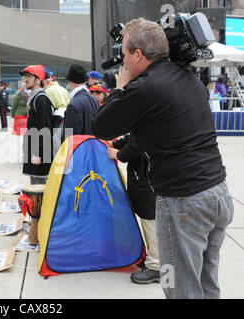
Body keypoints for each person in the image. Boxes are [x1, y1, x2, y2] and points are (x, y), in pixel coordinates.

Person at [91, 18, 233, 299]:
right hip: (217, 195)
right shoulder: (186, 77)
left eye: (125, 54)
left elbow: (101, 127)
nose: (123, 61)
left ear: (138, 55)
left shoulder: (144, 88)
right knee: (206, 285)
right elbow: (150, 134)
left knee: (180, 289)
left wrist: (120, 87)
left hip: (184, 202)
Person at [108, 135, 160, 284]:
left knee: (151, 223)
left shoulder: (149, 121)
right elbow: (133, 138)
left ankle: (157, 266)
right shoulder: (141, 122)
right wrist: (114, 143)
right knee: (147, 222)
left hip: (150, 186)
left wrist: (118, 154)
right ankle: (152, 259)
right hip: (143, 184)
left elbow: (138, 142)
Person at [19, 65, 54, 185]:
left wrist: (39, 153)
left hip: (39, 154)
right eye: (25, 76)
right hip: (34, 150)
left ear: (38, 79)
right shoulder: (34, 98)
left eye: (29, 76)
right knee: (35, 185)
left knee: (40, 187)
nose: (26, 79)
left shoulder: (41, 100)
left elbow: (45, 128)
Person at [64, 64, 99, 139]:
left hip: (79, 148)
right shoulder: (93, 99)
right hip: (93, 146)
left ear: (70, 82)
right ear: (85, 81)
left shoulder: (73, 104)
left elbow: (69, 138)